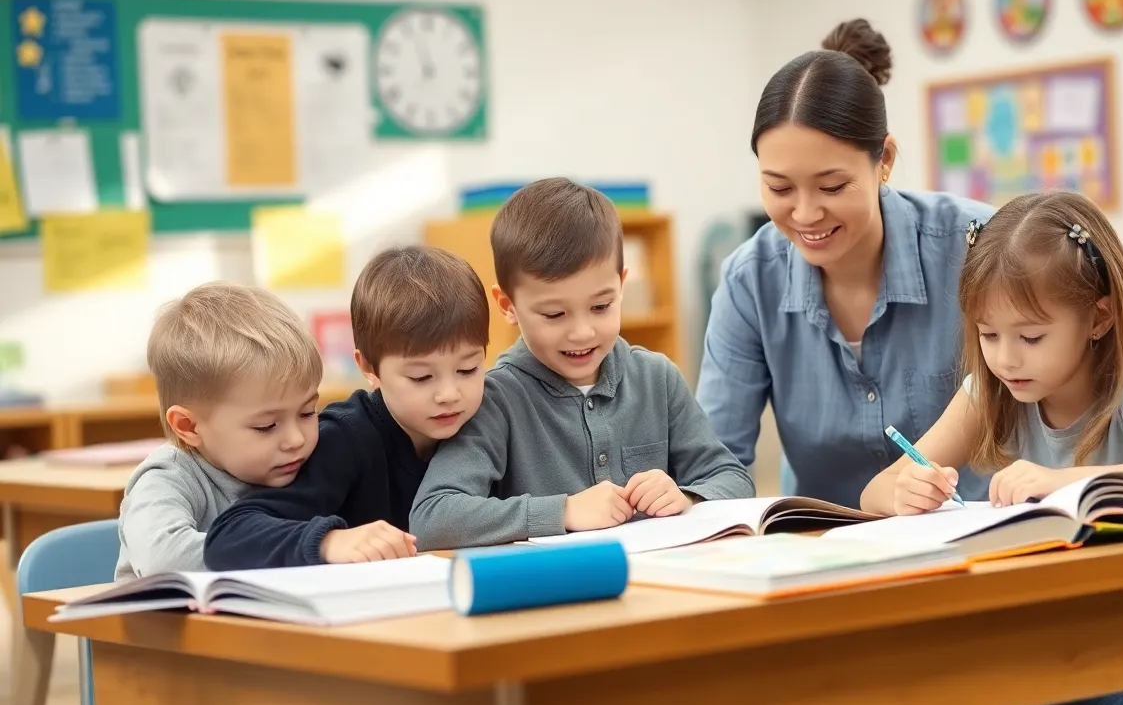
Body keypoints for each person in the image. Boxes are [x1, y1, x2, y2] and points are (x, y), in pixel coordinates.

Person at [862, 190, 1123, 705]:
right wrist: (904, 490)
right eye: (988, 334)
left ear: (1099, 318)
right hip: (1053, 644)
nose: (1006, 358)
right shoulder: (990, 392)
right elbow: (874, 491)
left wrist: (1067, 484)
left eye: (1031, 336)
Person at [695, 18, 994, 509]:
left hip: (979, 541)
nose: (806, 214)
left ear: (885, 161)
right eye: (779, 188)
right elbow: (716, 461)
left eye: (832, 187)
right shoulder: (749, 281)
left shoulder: (978, 246)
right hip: (823, 551)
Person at [411, 178, 756, 550]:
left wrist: (688, 496)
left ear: (621, 286)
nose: (582, 332)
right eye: (555, 313)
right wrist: (563, 512)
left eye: (601, 306)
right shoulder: (494, 398)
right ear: (508, 305)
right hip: (557, 595)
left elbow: (732, 477)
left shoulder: (658, 378)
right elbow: (433, 517)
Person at [203, 246, 491, 569]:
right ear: (368, 368)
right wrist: (329, 541)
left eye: (468, 369)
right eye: (421, 377)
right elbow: (228, 536)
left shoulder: (488, 418)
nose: (449, 394)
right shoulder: (344, 439)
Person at [116, 282, 323, 581]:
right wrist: (301, 546)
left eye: (307, 412)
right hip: (165, 628)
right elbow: (161, 558)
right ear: (189, 427)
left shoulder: (300, 464)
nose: (296, 439)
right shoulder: (169, 478)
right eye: (266, 426)